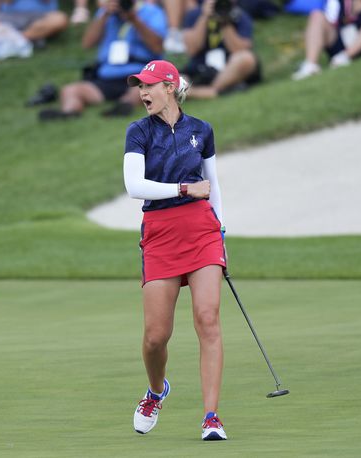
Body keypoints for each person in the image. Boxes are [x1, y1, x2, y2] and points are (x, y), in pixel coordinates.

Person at [122, 60, 228, 441]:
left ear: (170, 87)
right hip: (161, 233)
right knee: (155, 336)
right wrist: (183, 189)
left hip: (202, 232)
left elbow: (213, 187)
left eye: (149, 85)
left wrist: (223, 237)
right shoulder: (138, 132)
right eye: (140, 86)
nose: (143, 93)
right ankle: (156, 391)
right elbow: (135, 186)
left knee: (208, 319)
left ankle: (211, 416)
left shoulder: (201, 130)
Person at [37, 0, 166, 121]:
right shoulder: (105, 13)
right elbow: (87, 43)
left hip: (139, 74)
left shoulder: (151, 12)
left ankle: (124, 106)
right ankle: (69, 112)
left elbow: (157, 47)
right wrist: (104, 15)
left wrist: (134, 19)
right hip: (107, 75)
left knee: (142, 90)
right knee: (70, 90)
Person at [291, 0, 361, 80]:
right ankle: (311, 65)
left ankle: (345, 56)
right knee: (317, 15)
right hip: (343, 40)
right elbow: (332, 17)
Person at [182, 0, 261, 99]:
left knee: (247, 58)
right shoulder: (194, 15)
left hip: (228, 70)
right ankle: (217, 92)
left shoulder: (240, 16)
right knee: (173, 80)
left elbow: (240, 50)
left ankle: (204, 92)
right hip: (200, 70)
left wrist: (224, 22)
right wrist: (204, 17)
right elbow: (192, 50)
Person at [0, 0, 68, 48]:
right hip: (8, 17)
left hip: (40, 17)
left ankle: (13, 40)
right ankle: (27, 40)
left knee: (60, 19)